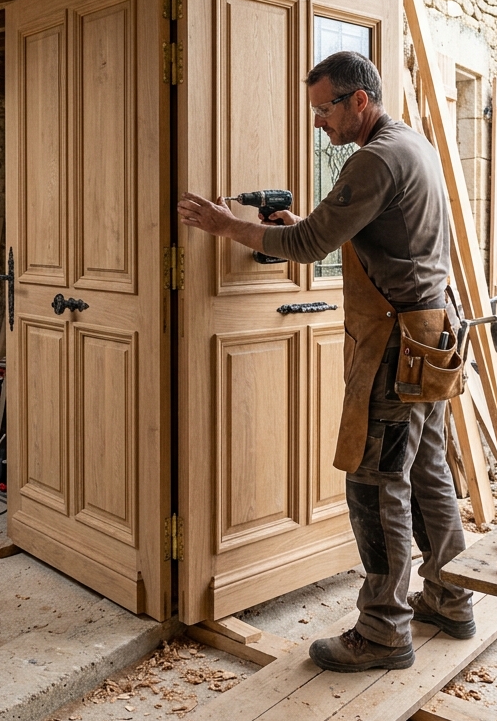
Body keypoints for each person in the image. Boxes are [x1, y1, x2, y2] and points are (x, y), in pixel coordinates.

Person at [177, 50, 475, 673]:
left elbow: (311, 245)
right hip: (428, 335)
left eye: (324, 108)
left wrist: (227, 226)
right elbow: (353, 233)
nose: (318, 122)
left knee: (374, 481)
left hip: (398, 347)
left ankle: (384, 630)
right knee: (426, 472)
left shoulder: (374, 158)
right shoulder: (409, 146)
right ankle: (450, 596)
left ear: (358, 101)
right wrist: (297, 223)